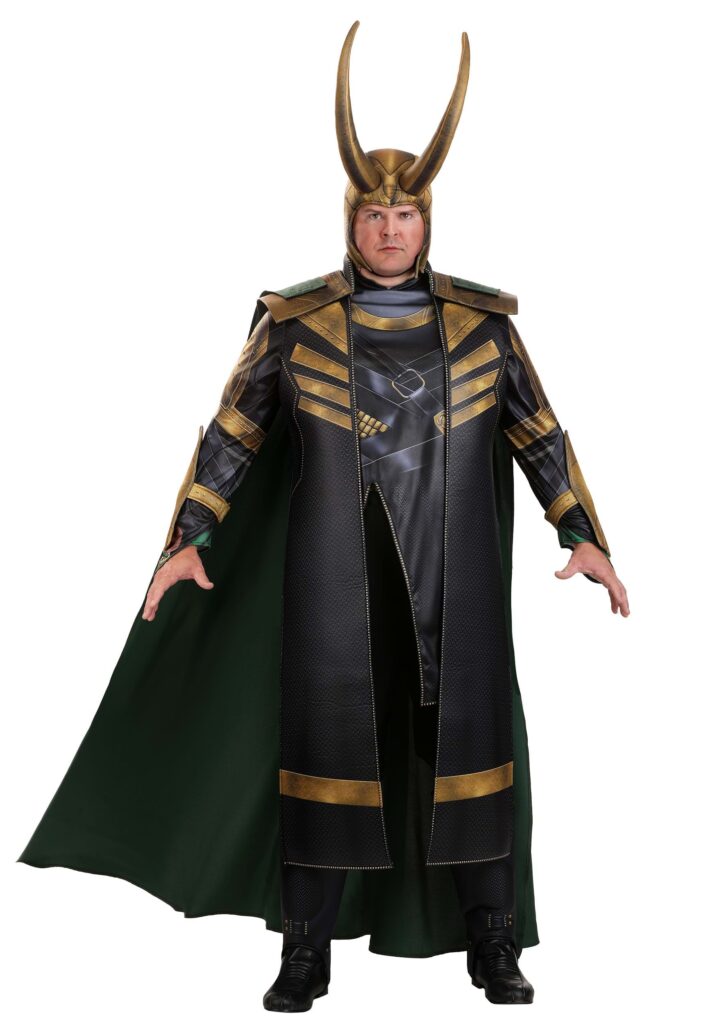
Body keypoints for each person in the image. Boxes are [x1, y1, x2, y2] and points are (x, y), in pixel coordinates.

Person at [18, 20, 629, 1012]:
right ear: (352, 219)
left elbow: (537, 430)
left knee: (467, 750)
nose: (390, 228)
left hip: (457, 579)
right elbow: (232, 434)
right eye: (375, 212)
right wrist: (187, 539)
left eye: (406, 212)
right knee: (327, 750)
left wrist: (584, 535)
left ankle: (492, 942)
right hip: (333, 579)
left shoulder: (482, 327)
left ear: (426, 222)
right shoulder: (295, 325)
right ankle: (304, 952)